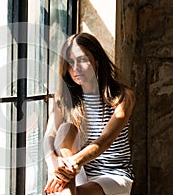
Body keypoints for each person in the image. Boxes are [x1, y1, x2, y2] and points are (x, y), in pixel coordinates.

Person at [43, 32, 136, 195]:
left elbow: (105, 141)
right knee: (65, 129)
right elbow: (49, 137)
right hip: (78, 172)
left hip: (113, 175)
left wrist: (70, 165)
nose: (76, 68)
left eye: (82, 60)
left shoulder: (122, 96)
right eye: (70, 63)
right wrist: (55, 168)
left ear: (97, 61)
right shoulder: (62, 97)